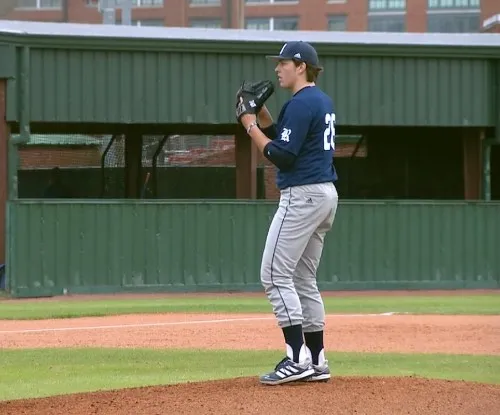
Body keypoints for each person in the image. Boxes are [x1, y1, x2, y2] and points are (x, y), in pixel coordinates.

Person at [238, 41, 339, 385]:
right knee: (303, 279)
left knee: (273, 275)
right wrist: (263, 114)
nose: (277, 68)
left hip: (303, 194)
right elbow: (284, 138)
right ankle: (317, 358)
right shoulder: (319, 100)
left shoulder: (301, 103)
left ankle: (297, 358)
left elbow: (282, 156)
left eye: (283, 63)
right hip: (325, 194)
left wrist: (249, 124)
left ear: (301, 66)